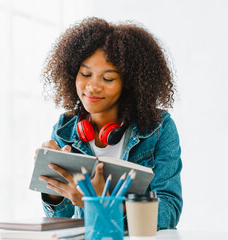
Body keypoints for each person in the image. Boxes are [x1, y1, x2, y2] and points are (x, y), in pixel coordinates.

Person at [36, 17, 183, 229]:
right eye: (85, 74)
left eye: (108, 79)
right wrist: (51, 185)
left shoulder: (159, 129)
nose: (93, 87)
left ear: (130, 83)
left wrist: (103, 203)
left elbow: (168, 211)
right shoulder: (64, 129)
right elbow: (64, 221)